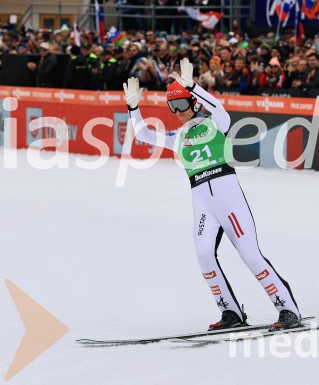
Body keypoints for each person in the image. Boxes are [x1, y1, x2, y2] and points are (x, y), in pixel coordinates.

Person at [122, 59, 301, 332]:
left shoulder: (216, 123)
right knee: (204, 254)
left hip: (227, 194)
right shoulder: (177, 136)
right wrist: (133, 108)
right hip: (202, 199)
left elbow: (218, 107)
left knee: (251, 255)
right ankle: (230, 312)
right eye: (173, 107)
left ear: (193, 103)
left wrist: (194, 87)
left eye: (182, 104)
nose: (178, 112)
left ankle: (287, 309)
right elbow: (143, 134)